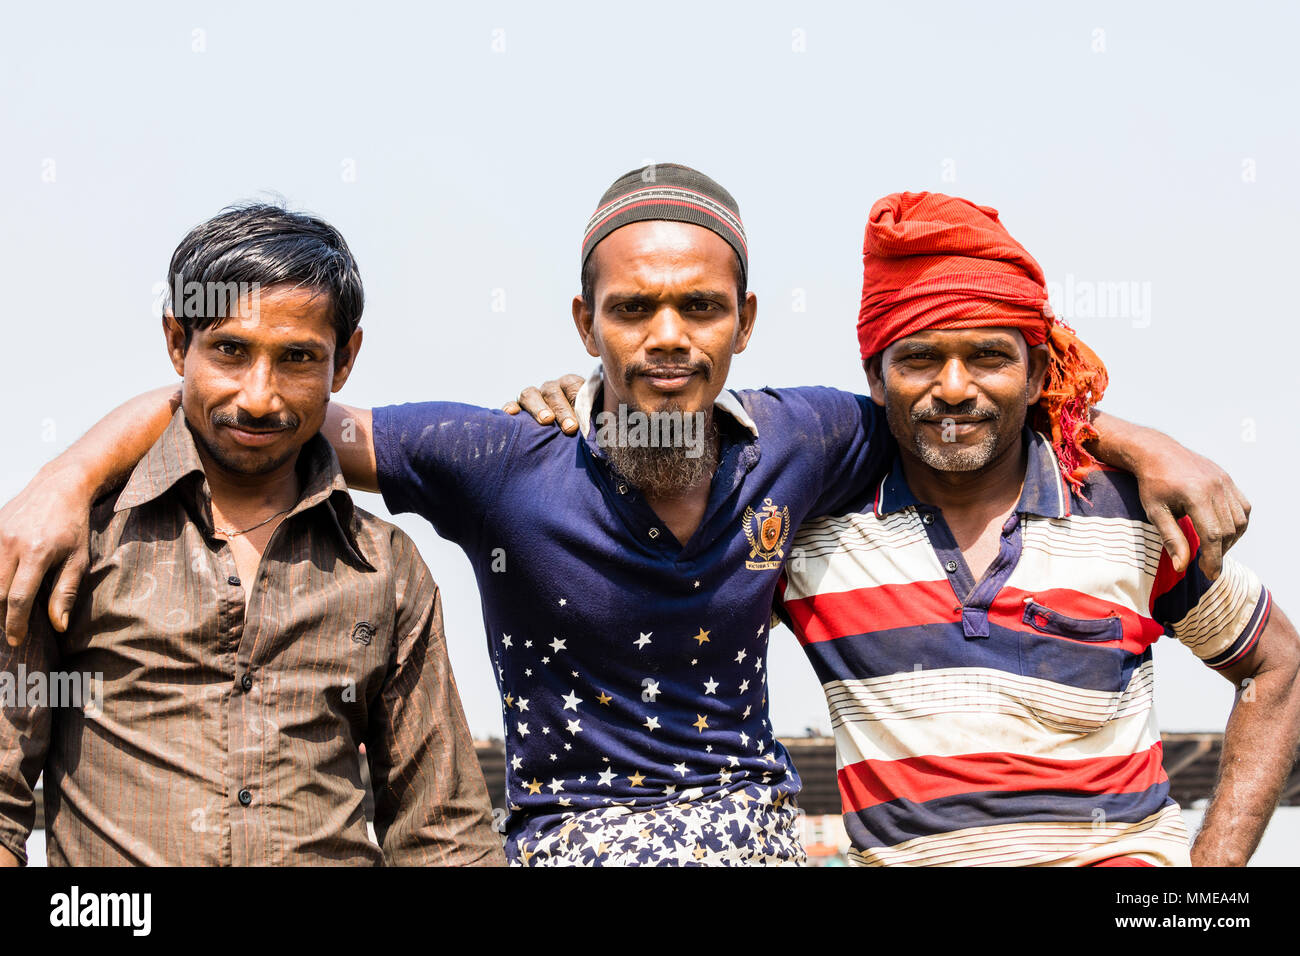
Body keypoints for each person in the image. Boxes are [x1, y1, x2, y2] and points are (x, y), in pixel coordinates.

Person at [0, 167, 1250, 866]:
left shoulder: (811, 434)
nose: (665, 338)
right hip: (569, 841)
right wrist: (72, 470)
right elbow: (258, 403)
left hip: (752, 832)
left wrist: (1137, 439)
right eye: (632, 310)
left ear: (744, 322)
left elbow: (963, 403)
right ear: (582, 321)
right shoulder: (492, 456)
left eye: (699, 309)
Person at [775, 191, 1300, 865]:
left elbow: (1277, 665)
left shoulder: (1130, 513)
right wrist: (599, 414)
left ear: (1037, 376)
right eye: (919, 359)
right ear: (875, 379)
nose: (955, 387)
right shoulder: (810, 537)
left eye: (990, 356)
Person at [0, 204, 503, 866]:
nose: (260, 396)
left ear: (344, 360)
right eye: (230, 351)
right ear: (178, 342)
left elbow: (443, 836)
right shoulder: (73, 540)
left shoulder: (385, 570)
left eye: (297, 358)